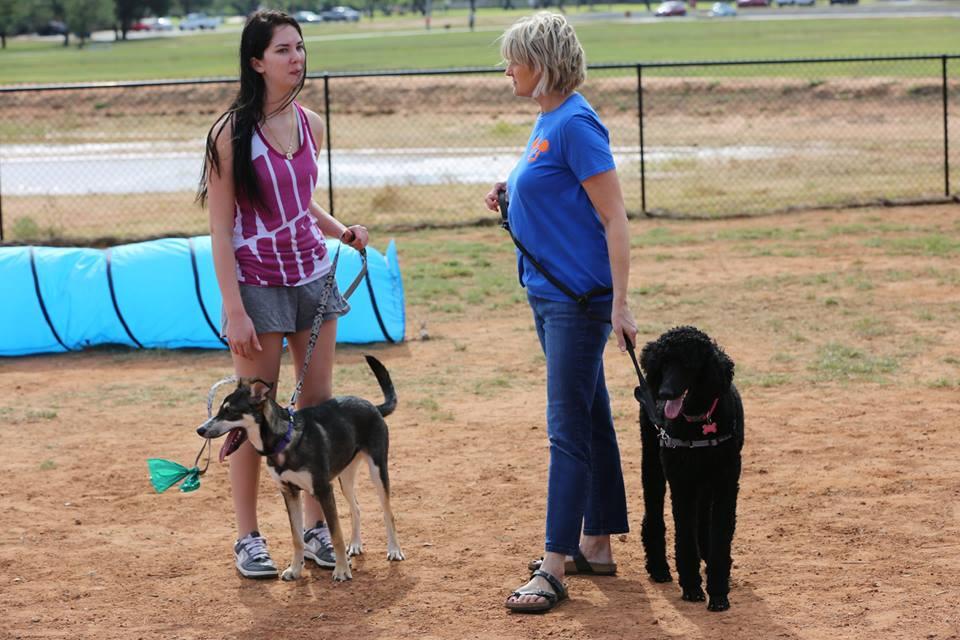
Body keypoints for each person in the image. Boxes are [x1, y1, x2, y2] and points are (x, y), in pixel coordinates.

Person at [196, 9, 369, 579]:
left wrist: (340, 230)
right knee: (254, 414)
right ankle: (248, 538)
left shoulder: (311, 123)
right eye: (282, 50)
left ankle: (317, 529)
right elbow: (220, 228)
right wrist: (234, 308)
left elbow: (299, 201)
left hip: (313, 277)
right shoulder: (229, 134)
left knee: (317, 406)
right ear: (256, 62)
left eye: (299, 47)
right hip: (257, 284)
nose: (297, 58)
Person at [484, 12, 638, 613]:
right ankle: (594, 543)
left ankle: (552, 566)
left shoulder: (575, 122)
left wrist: (620, 304)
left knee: (566, 431)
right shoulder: (548, 118)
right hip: (551, 297)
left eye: (514, 60)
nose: (507, 70)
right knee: (590, 418)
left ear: (542, 64)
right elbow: (554, 187)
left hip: (577, 303)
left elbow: (615, 217)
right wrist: (512, 192)